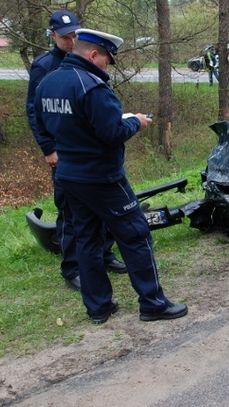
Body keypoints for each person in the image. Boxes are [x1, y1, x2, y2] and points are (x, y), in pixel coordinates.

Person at [34, 28, 188, 324]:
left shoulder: (48, 82)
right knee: (136, 235)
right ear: (93, 55)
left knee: (87, 241)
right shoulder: (93, 87)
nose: (108, 65)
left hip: (69, 176)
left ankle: (98, 308)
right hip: (102, 178)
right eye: (107, 59)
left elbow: (47, 124)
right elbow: (111, 133)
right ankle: (153, 304)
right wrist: (136, 123)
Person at [26, 10, 127, 292]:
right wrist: (48, 148)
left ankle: (104, 254)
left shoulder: (87, 60)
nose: (71, 40)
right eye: (65, 35)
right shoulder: (45, 66)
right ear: (53, 35)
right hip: (65, 153)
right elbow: (35, 111)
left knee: (104, 205)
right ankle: (72, 267)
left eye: (74, 34)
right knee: (71, 212)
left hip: (94, 153)